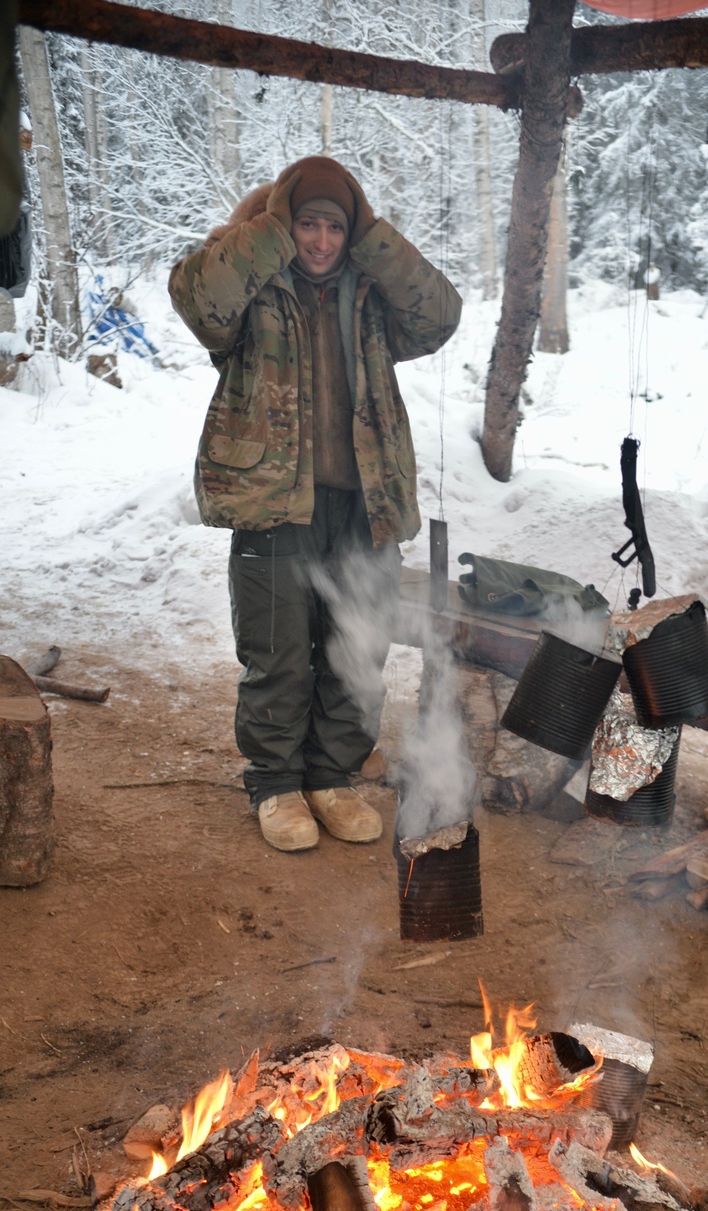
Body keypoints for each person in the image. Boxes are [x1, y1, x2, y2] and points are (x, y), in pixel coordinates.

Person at [169, 157, 462, 852]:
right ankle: (275, 785)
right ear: (282, 224)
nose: (322, 241)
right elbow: (197, 301)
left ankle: (332, 777)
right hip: (274, 498)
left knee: (356, 648)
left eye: (335, 226)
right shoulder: (252, 282)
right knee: (276, 651)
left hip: (367, 499)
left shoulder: (372, 292)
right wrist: (263, 229)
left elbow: (441, 315)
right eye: (308, 223)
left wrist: (375, 239)